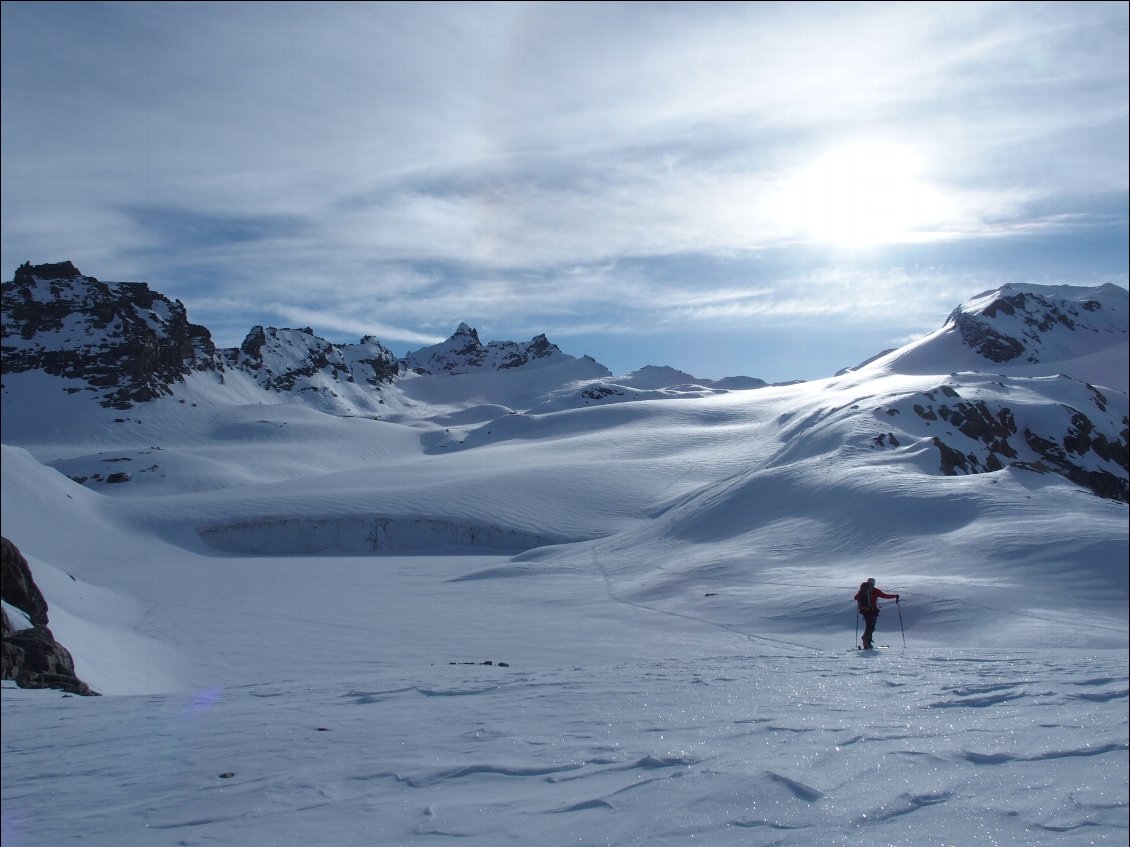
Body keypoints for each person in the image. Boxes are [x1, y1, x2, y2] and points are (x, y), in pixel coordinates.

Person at [854, 577, 899, 649]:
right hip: (872, 611)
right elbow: (885, 596)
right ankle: (866, 640)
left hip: (865, 611)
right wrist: (894, 596)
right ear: (874, 583)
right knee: (871, 627)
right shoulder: (875, 590)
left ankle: (867, 642)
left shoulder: (863, 590)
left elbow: (855, 598)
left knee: (869, 626)